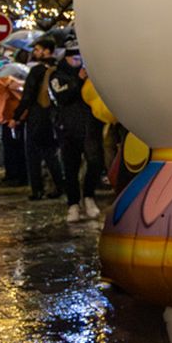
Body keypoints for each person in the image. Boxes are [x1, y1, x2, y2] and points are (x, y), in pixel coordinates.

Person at [49, 46, 105, 222]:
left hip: (90, 126)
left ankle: (89, 196)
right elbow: (62, 96)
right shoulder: (57, 76)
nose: (78, 62)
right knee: (71, 167)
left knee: (95, 161)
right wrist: (78, 81)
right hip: (68, 128)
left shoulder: (92, 75)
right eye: (74, 59)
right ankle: (73, 204)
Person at [14, 36, 64, 201]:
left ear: (46, 51)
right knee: (51, 154)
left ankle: (37, 189)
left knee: (33, 155)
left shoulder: (36, 71)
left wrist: (16, 116)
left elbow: (27, 97)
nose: (34, 52)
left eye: (37, 49)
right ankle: (60, 185)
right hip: (55, 117)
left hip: (37, 116)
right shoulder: (60, 68)